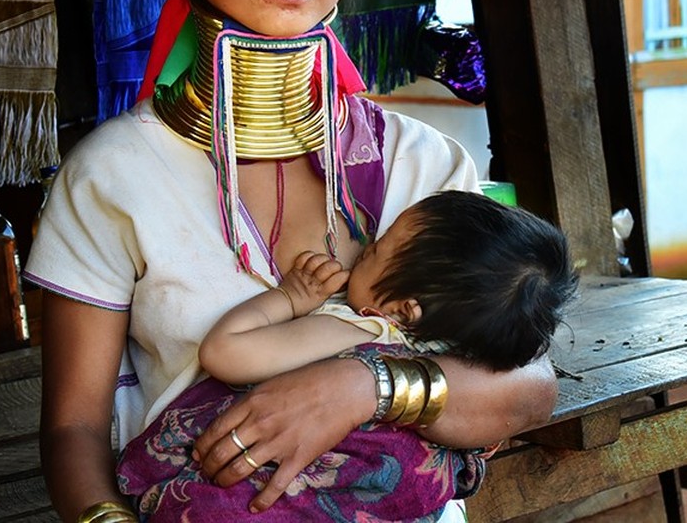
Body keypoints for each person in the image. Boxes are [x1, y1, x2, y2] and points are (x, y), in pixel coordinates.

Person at [24, 0, 560, 523]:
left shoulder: (420, 163)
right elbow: (73, 428)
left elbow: (529, 386)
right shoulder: (113, 175)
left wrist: (358, 387)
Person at [115, 190, 577, 520]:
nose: (360, 254)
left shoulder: (359, 329)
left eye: (375, 251)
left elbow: (226, 353)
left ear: (402, 310)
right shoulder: (471, 358)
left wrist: (290, 298)